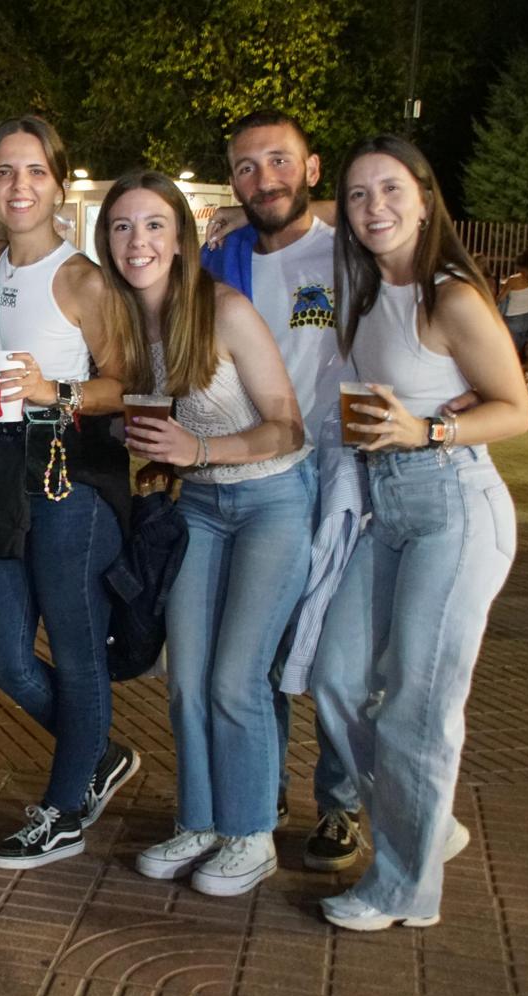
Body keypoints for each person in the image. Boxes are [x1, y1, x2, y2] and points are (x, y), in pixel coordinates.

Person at [310, 134, 528, 931]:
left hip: (454, 509)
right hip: (386, 506)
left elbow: (516, 408)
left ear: (427, 197)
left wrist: (429, 433)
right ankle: (426, 822)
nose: (375, 208)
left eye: (392, 190)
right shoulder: (368, 293)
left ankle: (403, 885)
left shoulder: (452, 296)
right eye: (360, 195)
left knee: (417, 705)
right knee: (335, 676)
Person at [99, 171, 311, 897]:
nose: (139, 240)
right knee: (185, 679)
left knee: (234, 678)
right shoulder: (127, 324)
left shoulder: (224, 310)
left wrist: (199, 451)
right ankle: (201, 820)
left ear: (182, 238)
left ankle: (250, 834)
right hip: (197, 509)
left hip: (271, 500)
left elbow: (288, 426)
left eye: (154, 224)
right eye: (123, 226)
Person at [0, 116, 142, 870]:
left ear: (60, 184)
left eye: (35, 171)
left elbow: (128, 382)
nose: (19, 185)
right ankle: (97, 753)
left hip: (71, 475)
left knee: (77, 653)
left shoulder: (81, 278)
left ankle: (64, 808)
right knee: (2, 655)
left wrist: (57, 389)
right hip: (5, 473)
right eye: (5, 172)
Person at [199, 109, 366, 874]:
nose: (263, 178)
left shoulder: (350, 254)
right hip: (252, 469)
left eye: (278, 161)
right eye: (245, 166)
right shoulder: (223, 259)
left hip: (338, 475)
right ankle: (257, 796)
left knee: (332, 653)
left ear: (312, 167)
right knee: (257, 654)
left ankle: (340, 802)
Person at [495, 252, 528, 352]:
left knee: (510, 351)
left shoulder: (513, 280)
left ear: (517, 265)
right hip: (527, 318)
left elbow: (500, 298)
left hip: (512, 319)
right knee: (522, 351)